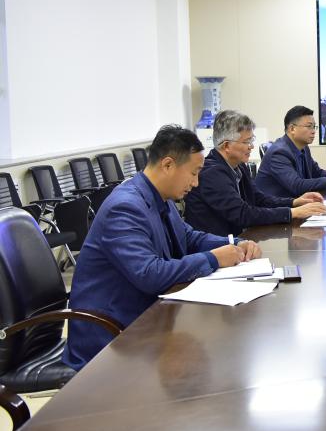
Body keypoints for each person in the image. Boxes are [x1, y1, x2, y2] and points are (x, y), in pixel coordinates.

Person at [64, 125, 261, 370]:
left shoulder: (160, 196)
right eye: (193, 173)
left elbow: (188, 237)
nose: (196, 183)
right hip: (112, 335)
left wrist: (233, 244)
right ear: (168, 165)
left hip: (145, 317)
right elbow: (150, 274)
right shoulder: (124, 207)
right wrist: (213, 259)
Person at [185, 110, 326, 236]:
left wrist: (294, 202)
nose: (252, 146)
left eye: (251, 140)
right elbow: (243, 214)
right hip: (217, 246)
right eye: (247, 142)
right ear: (227, 145)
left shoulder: (239, 166)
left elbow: (258, 198)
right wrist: (292, 213)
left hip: (239, 239)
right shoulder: (211, 173)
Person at [255, 105, 326, 199]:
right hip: (277, 207)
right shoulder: (279, 152)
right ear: (292, 129)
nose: (313, 131)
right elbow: (296, 186)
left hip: (297, 203)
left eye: (314, 127)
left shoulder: (304, 148)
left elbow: (317, 172)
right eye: (309, 126)